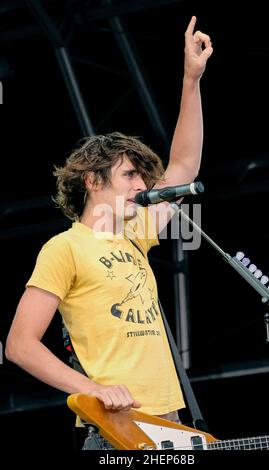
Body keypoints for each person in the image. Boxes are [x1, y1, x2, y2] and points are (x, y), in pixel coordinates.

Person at [5, 16, 212, 449]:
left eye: (142, 178)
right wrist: (93, 389)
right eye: (131, 176)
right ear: (93, 182)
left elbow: (182, 168)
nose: (142, 186)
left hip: (167, 422)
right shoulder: (65, 248)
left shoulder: (135, 233)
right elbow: (20, 345)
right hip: (114, 427)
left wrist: (191, 81)